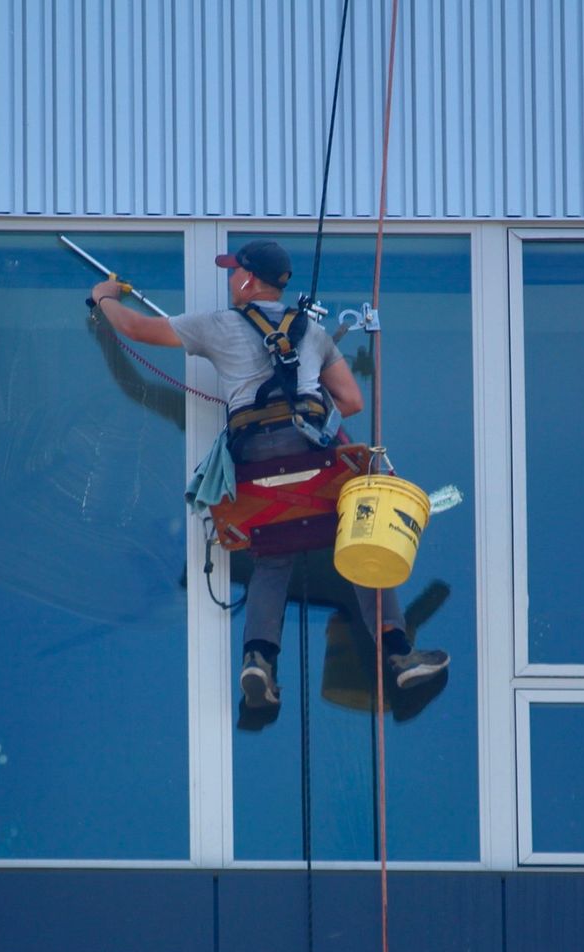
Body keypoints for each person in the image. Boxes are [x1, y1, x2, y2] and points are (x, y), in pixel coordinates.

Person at [89, 238, 448, 710]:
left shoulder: (219, 325)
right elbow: (353, 402)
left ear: (248, 280)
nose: (228, 278)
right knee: (362, 543)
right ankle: (400, 654)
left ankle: (258, 659)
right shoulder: (312, 333)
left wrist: (105, 297)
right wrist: (303, 397)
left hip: (256, 467)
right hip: (313, 461)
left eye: (232, 271)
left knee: (273, 557)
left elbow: (135, 329)